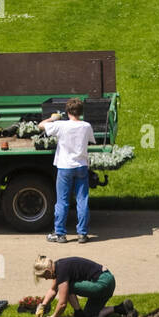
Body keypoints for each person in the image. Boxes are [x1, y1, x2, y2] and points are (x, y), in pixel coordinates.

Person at [43, 97, 96, 244]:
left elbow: (41, 126)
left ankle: (60, 234)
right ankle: (82, 234)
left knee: (62, 201)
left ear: (67, 112)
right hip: (81, 166)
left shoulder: (60, 125)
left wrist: (52, 118)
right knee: (82, 200)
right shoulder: (86, 126)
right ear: (81, 112)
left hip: (65, 167)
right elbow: (91, 140)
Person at [33, 255, 129, 317]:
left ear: (47, 271)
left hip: (102, 282)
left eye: (44, 276)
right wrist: (43, 306)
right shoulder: (58, 266)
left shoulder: (61, 271)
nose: (45, 279)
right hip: (109, 280)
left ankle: (78, 313)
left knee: (68, 287)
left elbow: (62, 303)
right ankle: (120, 308)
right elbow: (53, 290)